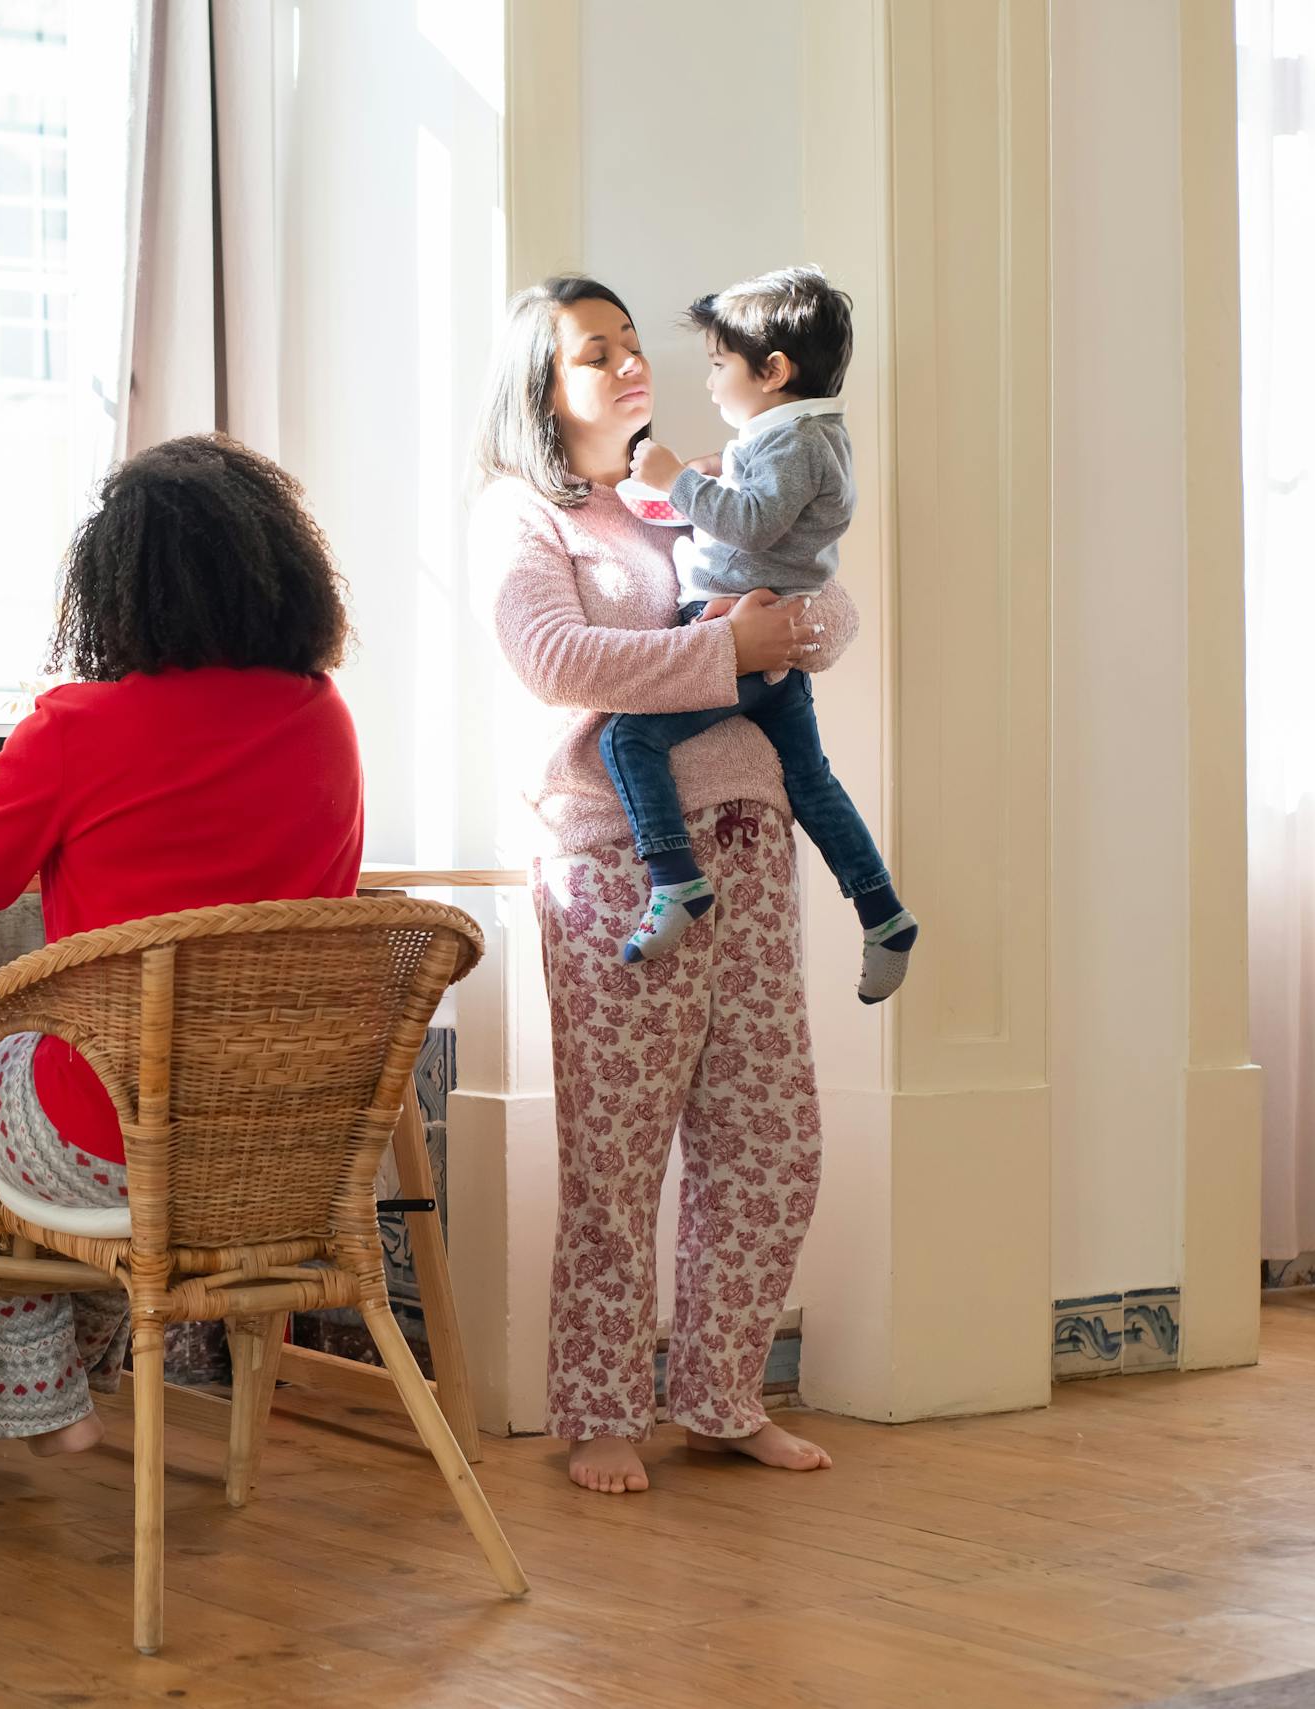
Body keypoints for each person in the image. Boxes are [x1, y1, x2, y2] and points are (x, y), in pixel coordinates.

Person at [0, 432, 364, 1457]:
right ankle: (81, 1361)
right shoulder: (327, 720)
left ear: (113, 588)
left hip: (110, 1154)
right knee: (42, 1084)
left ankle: (47, 1405)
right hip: (278, 1154)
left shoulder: (73, 724)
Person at [471, 274, 844, 1494]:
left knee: (771, 1136)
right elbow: (555, 659)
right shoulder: (524, 517)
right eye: (597, 353)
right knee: (619, 1155)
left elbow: (821, 606)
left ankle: (723, 1393)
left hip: (748, 835)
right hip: (611, 858)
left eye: (634, 346)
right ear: (544, 386)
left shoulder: (689, 486)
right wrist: (724, 646)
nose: (631, 366)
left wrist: (788, 627)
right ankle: (599, 1405)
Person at [598, 265, 917, 1000]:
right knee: (810, 780)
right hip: (767, 639)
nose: (709, 383)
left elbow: (751, 523)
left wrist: (679, 476)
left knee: (626, 739)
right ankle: (882, 910)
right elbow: (766, 517)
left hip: (737, 641)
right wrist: (710, 479)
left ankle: (674, 878)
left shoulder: (794, 446)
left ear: (773, 371)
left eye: (719, 366)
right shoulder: (809, 437)